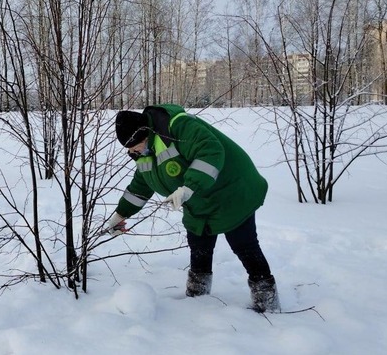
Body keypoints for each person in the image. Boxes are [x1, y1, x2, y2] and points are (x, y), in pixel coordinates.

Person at [105, 103, 280, 313]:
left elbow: (210, 152)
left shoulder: (179, 128)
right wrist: (120, 214)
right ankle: (198, 296)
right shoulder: (144, 152)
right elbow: (140, 187)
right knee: (198, 242)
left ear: (146, 133)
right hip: (199, 199)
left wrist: (188, 188)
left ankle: (266, 299)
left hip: (231, 190)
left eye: (137, 146)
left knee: (243, 244)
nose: (135, 152)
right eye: (131, 150)